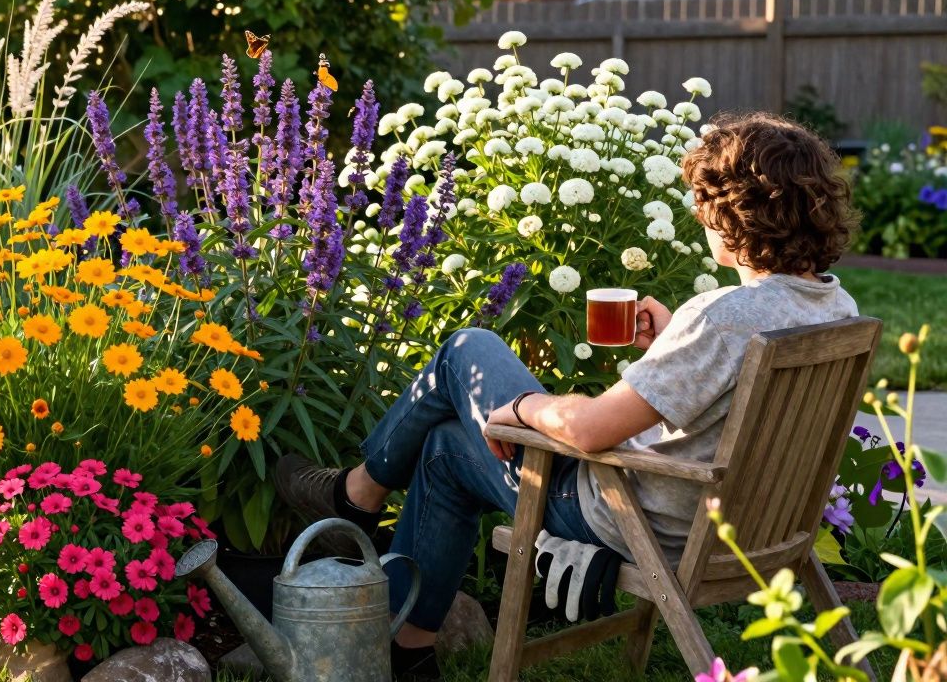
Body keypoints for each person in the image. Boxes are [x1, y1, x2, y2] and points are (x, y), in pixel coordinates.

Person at [274, 112, 860, 680]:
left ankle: (356, 494)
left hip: (633, 517)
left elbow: (590, 431)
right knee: (446, 448)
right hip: (742, 522)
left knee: (466, 348)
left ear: (734, 215)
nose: (699, 219)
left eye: (704, 206)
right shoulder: (835, 307)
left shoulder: (724, 319)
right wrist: (664, 347)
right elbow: (712, 395)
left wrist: (525, 409)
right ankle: (409, 645)